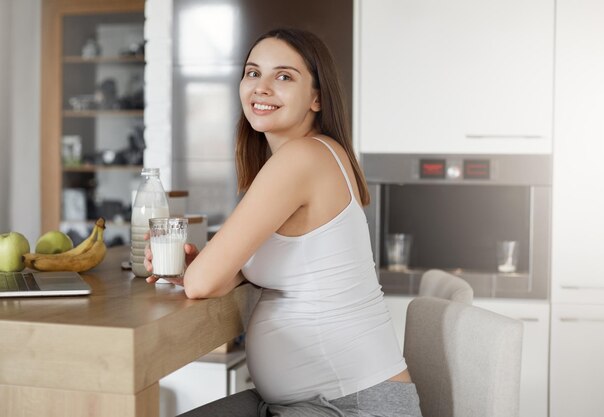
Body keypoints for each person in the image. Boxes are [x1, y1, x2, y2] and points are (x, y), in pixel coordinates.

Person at [144, 28, 422, 417]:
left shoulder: (302, 158)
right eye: (253, 73)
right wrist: (196, 270)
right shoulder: (311, 155)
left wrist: (200, 272)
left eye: (284, 76)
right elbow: (223, 276)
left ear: (317, 98)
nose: (262, 87)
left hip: (351, 408)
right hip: (309, 402)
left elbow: (204, 282)